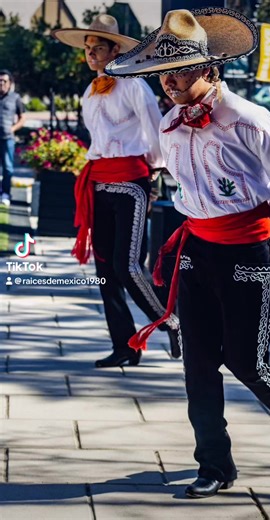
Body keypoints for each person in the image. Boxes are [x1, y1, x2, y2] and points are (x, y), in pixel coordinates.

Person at [105, 7, 270, 498]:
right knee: (197, 362)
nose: (169, 84)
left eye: (178, 72)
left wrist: (267, 228)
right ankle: (214, 464)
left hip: (248, 253)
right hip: (196, 248)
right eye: (163, 75)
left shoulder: (247, 118)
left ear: (208, 68)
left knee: (244, 358)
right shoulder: (171, 122)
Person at [52, 14, 182, 368]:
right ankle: (125, 346)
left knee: (128, 266)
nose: (91, 53)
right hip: (99, 180)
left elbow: (155, 131)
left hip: (130, 183)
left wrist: (154, 171)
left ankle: (170, 321)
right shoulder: (90, 91)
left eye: (98, 48)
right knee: (106, 268)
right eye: (88, 48)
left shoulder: (134, 86)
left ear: (115, 50)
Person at [0, 69, 25, 206]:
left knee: (8, 168)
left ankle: (5, 193)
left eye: (4, 81)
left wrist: (13, 129)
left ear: (9, 83)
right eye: (0, 81)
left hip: (7, 138)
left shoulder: (15, 98)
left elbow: (23, 118)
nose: (2, 84)